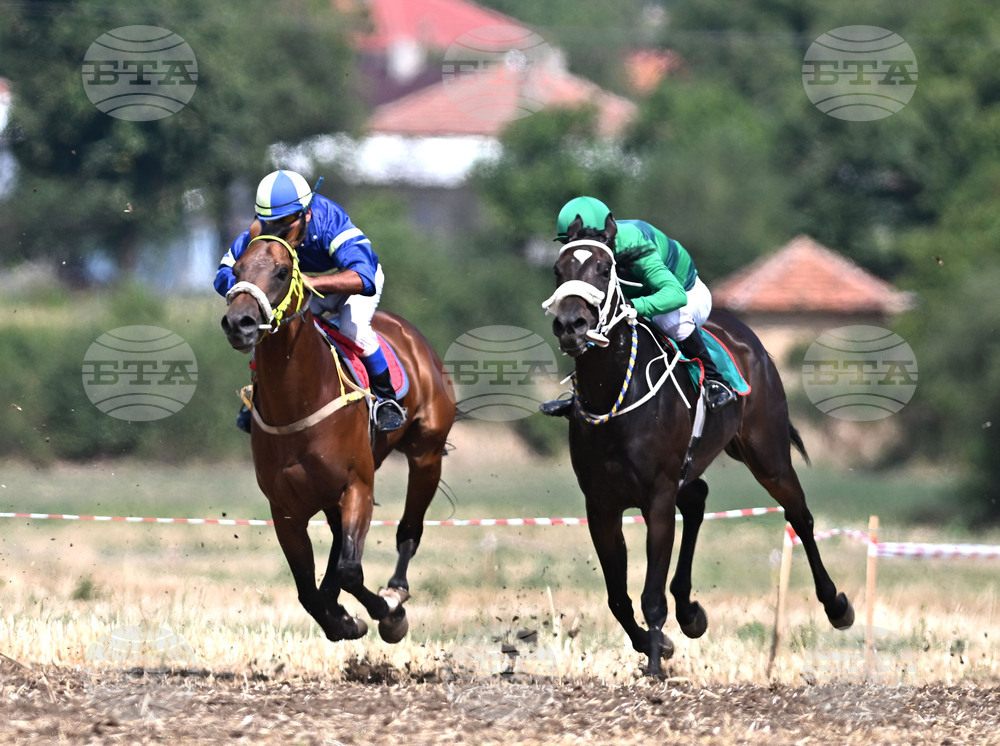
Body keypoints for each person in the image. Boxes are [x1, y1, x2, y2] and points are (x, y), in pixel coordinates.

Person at [214, 169, 406, 433]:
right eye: (271, 222)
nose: (278, 229)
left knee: (354, 329)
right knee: (269, 327)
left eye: (287, 220)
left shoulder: (330, 222)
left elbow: (364, 277)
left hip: (350, 284)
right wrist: (249, 289)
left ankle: (387, 400)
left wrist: (314, 283)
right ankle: (257, 399)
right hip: (300, 287)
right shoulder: (260, 232)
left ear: (307, 213)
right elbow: (223, 273)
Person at [541, 195, 736, 416]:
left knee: (667, 319)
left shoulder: (635, 244)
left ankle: (715, 381)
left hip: (686, 293)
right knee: (591, 322)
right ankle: (580, 395)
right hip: (637, 297)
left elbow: (675, 295)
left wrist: (633, 305)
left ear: (607, 234)